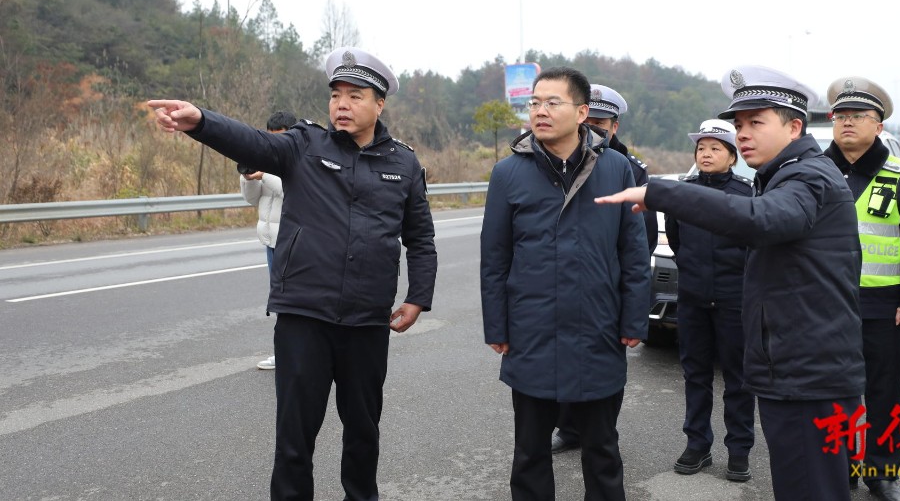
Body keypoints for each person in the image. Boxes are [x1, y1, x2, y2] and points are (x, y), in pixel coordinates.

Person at [147, 47, 438, 501]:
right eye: (336, 95)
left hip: (366, 321)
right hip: (304, 316)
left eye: (355, 96)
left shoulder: (403, 164)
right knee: (294, 438)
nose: (342, 104)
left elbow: (420, 238)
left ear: (379, 104)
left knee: (363, 432)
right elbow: (251, 142)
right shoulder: (305, 145)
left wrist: (418, 296)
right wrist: (201, 121)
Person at [595, 65, 865, 501]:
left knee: (810, 487)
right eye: (739, 124)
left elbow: (761, 220)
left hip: (806, 376)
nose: (743, 134)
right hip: (797, 366)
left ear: (794, 127)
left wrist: (661, 192)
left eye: (756, 122)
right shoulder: (784, 174)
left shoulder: (807, 176)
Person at [480, 66, 651, 501]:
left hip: (598, 330)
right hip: (532, 332)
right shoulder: (508, 173)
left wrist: (634, 319)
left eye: (552, 102)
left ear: (581, 112)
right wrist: (497, 325)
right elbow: (495, 258)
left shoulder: (616, 169)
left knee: (602, 450)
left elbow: (633, 254)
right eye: (535, 102)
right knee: (530, 452)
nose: (540, 111)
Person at [822, 77, 900, 501]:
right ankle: (840, 465)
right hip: (825, 303)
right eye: (841, 116)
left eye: (858, 116)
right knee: (831, 391)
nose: (847, 122)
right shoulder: (813, 171)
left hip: (883, 306)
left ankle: (881, 473)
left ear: (879, 125)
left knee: (884, 394)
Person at [550, 82, 658, 456]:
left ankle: (601, 429)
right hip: (566, 285)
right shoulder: (559, 161)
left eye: (601, 124)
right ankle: (569, 428)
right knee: (563, 358)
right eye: (588, 122)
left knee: (605, 367)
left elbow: (641, 239)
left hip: (606, 287)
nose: (592, 129)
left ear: (614, 127)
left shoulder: (629, 169)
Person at [664, 119, 755, 483]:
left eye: (716, 148)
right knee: (695, 374)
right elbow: (675, 240)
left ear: (732, 156)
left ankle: (739, 451)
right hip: (693, 298)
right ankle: (697, 444)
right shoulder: (682, 193)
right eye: (701, 148)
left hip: (735, 299)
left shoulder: (748, 194)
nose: (706, 153)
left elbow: (755, 244)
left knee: (739, 378)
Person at [240, 110, 298, 371]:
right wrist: (248, 177)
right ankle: (285, 352)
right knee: (280, 299)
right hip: (271, 242)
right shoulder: (267, 160)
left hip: (294, 243)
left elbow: (292, 191)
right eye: (271, 137)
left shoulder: (301, 160)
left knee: (292, 300)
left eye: (280, 137)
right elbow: (252, 199)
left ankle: (289, 354)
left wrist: (264, 174)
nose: (275, 143)